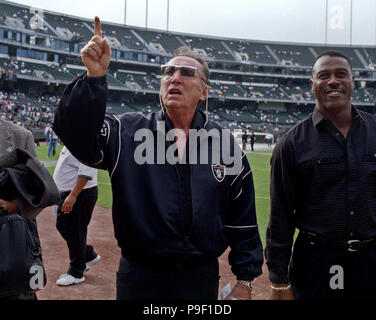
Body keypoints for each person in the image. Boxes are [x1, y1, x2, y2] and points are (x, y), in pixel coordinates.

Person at [53, 17, 263, 300]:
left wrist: (245, 280)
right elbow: (76, 136)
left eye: (186, 73)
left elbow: (243, 219)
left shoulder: (225, 145)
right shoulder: (127, 131)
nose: (175, 77)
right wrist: (93, 79)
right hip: (139, 277)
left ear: (204, 92)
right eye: (169, 71)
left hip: (199, 278)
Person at [266, 50, 376, 300]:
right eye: (323, 75)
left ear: (353, 81)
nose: (333, 81)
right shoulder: (292, 144)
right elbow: (281, 217)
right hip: (316, 262)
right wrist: (278, 281)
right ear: (312, 84)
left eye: (341, 74)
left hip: (372, 260)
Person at [0, 119, 59, 300]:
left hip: (10, 240)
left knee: (17, 292)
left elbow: (40, 188)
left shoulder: (21, 135)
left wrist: (16, 206)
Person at [53, 146, 101, 286]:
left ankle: (76, 272)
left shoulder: (83, 142)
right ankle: (87, 254)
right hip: (72, 193)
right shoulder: (72, 141)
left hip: (79, 194)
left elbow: (86, 172)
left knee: (74, 230)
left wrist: (73, 195)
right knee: (65, 227)